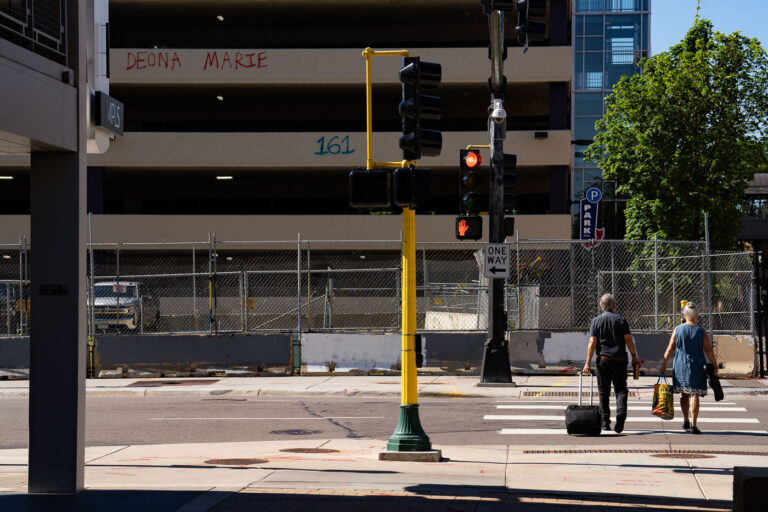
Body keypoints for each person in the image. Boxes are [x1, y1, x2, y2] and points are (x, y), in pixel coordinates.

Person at [582, 293, 640, 433]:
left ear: (601, 306)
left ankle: (605, 421)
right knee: (621, 389)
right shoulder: (621, 319)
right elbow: (628, 339)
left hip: (603, 360)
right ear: (614, 305)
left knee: (603, 391)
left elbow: (592, 342)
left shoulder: (596, 321)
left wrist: (587, 362)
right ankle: (621, 414)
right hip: (619, 360)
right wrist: (634, 356)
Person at [660, 303, 719, 434]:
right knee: (694, 393)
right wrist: (715, 365)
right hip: (697, 364)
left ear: (684, 315)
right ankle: (694, 424)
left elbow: (670, 348)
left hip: (680, 364)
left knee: (684, 394)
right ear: (696, 316)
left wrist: (664, 364)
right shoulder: (701, 331)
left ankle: (686, 420)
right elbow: (709, 351)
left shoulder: (678, 329)